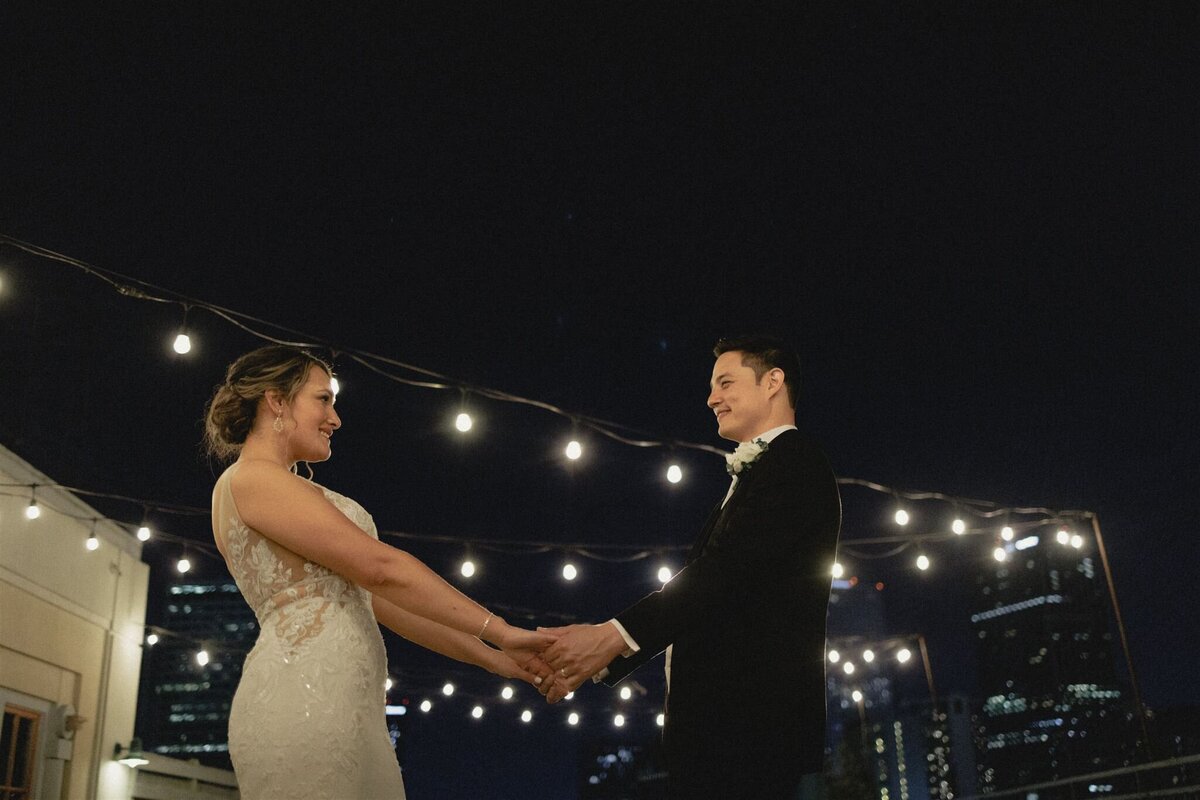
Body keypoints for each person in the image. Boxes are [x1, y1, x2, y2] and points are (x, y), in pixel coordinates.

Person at [203, 345, 554, 799]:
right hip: (305, 698)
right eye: (323, 399)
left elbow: (383, 601)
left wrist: (494, 656)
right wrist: (502, 629)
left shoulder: (279, 486)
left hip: (349, 707)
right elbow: (380, 568)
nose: (336, 419)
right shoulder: (252, 478)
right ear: (276, 400)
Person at [538, 336, 842, 799]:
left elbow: (722, 575)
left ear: (773, 382)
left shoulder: (795, 463)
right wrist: (603, 646)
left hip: (749, 732)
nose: (711, 398)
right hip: (724, 737)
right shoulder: (764, 471)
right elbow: (713, 588)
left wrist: (609, 637)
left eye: (725, 382)